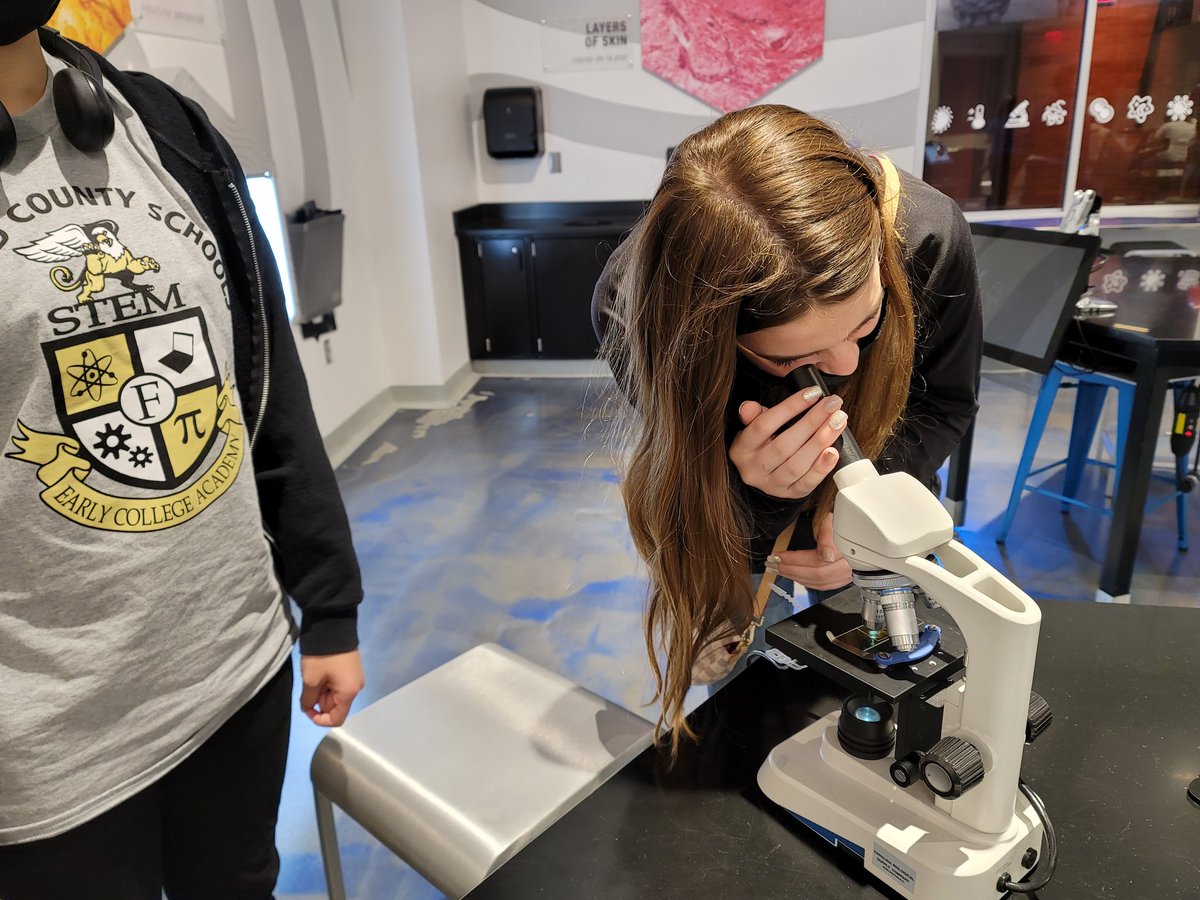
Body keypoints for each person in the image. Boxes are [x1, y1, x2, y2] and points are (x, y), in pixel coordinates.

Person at [0, 6, 365, 898]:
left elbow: (264, 377)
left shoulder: (159, 123)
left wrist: (329, 605)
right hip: (44, 738)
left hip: (234, 671)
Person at [593, 105, 981, 751]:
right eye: (790, 358)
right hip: (730, 513)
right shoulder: (631, 311)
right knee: (749, 698)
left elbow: (943, 403)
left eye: (867, 325)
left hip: (882, 497)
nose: (847, 366)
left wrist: (854, 515)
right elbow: (693, 476)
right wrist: (758, 504)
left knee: (889, 699)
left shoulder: (928, 234)